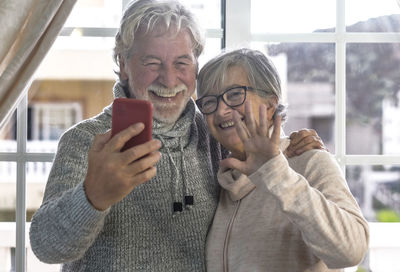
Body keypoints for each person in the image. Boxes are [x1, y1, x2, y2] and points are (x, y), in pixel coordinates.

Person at [29, 1, 326, 271]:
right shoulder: (87, 141)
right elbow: (47, 247)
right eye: (152, 63)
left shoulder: (216, 136)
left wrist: (291, 149)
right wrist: (93, 197)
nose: (169, 79)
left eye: (182, 63)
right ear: (123, 65)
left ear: (195, 66)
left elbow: (263, 171)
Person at [195, 48, 369, 272]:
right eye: (210, 102)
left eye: (235, 95)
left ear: (270, 104)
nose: (221, 111)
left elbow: (352, 251)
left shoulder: (308, 160)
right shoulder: (224, 181)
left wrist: (274, 172)